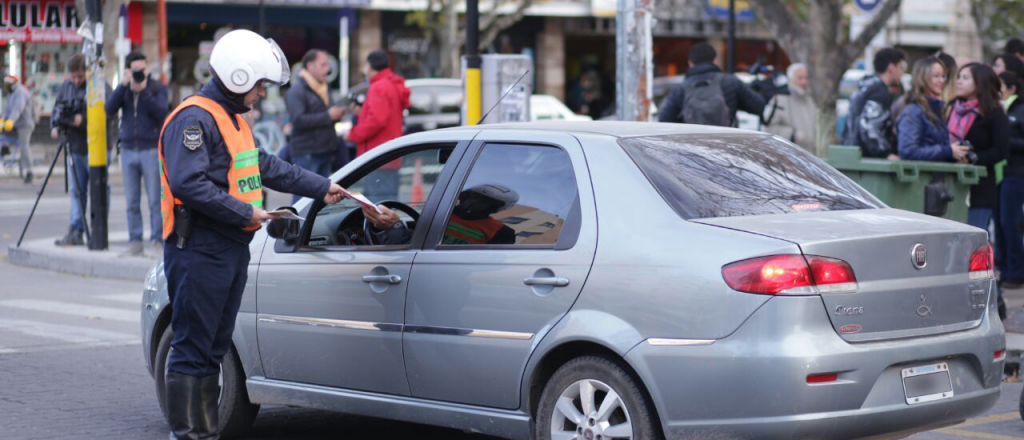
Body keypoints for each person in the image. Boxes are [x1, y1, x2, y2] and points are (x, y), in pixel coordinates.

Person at [158, 29, 346, 439]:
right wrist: (249, 211)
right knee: (191, 350)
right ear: (238, 77)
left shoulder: (231, 121)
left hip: (228, 248)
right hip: (200, 250)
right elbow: (189, 185)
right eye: (260, 84)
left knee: (213, 348)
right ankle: (187, 435)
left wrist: (322, 186)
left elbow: (267, 165)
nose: (263, 93)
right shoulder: (195, 118)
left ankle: (204, 434)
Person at [106, 51, 170, 256]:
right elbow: (109, 109)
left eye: (142, 69)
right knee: (131, 200)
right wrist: (123, 85)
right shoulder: (124, 89)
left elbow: (162, 113)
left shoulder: (156, 88)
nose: (139, 73)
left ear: (147, 68)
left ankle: (157, 240)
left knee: (154, 199)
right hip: (127, 150)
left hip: (150, 149)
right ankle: (135, 241)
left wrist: (143, 91)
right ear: (127, 70)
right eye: (135, 70)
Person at [946, 63, 1010, 233]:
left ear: (980, 83)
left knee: (972, 244)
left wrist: (974, 158)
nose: (959, 81)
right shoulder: (951, 108)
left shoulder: (994, 113)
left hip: (979, 189)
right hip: (949, 185)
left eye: (965, 78)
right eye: (958, 77)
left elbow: (1001, 150)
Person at [347, 49, 410, 202]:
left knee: (378, 206)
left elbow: (376, 121)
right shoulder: (391, 84)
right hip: (389, 154)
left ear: (370, 66)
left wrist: (352, 134)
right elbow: (385, 116)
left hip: (377, 156)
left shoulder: (379, 87)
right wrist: (361, 113)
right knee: (385, 202)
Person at [362, 184, 518, 245]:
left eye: (483, 200)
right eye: (472, 195)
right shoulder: (442, 213)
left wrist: (394, 228)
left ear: (496, 207)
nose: (473, 201)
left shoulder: (500, 232)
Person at [658, 42, 765, 127]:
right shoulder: (730, 82)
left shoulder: (680, 89)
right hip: (726, 148)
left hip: (691, 150)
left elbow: (664, 120)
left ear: (690, 63)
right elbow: (758, 106)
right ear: (714, 61)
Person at [285, 50, 344, 188]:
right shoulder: (297, 90)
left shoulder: (324, 87)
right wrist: (328, 116)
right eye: (323, 65)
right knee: (304, 199)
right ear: (310, 66)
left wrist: (338, 114)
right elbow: (298, 120)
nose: (328, 69)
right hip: (307, 154)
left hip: (325, 151)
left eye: (328, 65)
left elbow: (326, 112)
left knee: (322, 200)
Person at [52, 54, 91, 247]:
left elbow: (107, 112)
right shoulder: (66, 87)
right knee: (76, 191)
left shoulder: (96, 86)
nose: (76, 81)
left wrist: (82, 120)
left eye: (80, 77)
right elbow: (57, 109)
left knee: (98, 191)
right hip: (73, 147)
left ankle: (96, 229)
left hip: (93, 147)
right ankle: (76, 229)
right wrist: (55, 126)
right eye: (73, 76)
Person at [897, 57, 966, 162]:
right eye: (936, 76)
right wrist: (948, 151)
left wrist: (955, 155)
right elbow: (908, 151)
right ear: (922, 78)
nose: (942, 80)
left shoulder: (936, 109)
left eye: (943, 76)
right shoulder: (913, 111)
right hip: (923, 177)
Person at [844, 48, 906, 159]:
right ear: (891, 68)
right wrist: (885, 154)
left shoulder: (864, 87)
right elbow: (869, 125)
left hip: (851, 155)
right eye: (901, 67)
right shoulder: (880, 93)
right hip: (866, 160)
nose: (902, 73)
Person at [999, 71, 1024, 288]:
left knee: (1010, 223)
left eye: (1001, 86)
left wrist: (1007, 142)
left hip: (1016, 174)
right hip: (1003, 173)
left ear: (1012, 89)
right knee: (1001, 223)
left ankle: (1016, 272)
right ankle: (1006, 270)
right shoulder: (1003, 110)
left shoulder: (1019, 111)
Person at [762, 63, 819, 156]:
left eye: (806, 78)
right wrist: (792, 134)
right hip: (787, 157)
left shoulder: (810, 99)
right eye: (800, 78)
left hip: (810, 157)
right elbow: (767, 128)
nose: (804, 82)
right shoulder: (779, 98)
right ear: (790, 79)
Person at [0, 75, 36, 184]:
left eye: (7, 84)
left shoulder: (20, 92)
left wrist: (10, 120)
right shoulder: (12, 93)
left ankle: (30, 171)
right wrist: (3, 119)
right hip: (16, 124)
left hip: (25, 124)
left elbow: (18, 109)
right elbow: (8, 109)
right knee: (5, 140)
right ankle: (6, 150)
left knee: (24, 146)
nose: (5, 86)